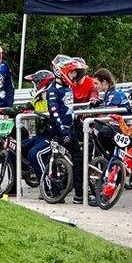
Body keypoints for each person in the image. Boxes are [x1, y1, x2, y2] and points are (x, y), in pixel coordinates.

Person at [29, 57, 86, 203]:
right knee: (53, 160)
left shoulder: (68, 88)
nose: (74, 76)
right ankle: (53, 190)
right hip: (57, 132)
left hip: (70, 130)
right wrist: (62, 131)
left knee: (78, 160)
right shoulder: (52, 90)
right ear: (62, 72)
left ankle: (79, 194)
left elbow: (70, 110)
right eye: (72, 73)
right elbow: (54, 113)